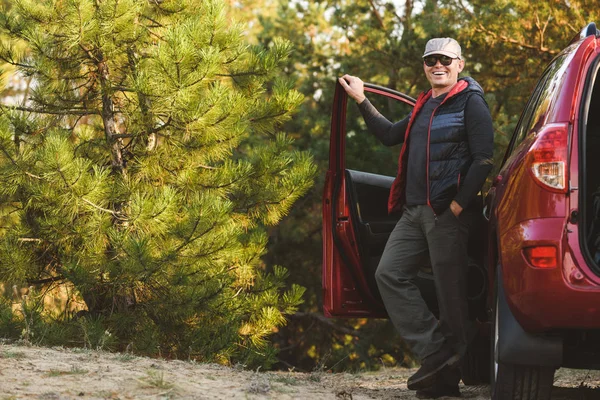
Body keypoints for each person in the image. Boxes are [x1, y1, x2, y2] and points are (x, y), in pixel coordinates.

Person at [339, 38, 494, 398]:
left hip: (447, 213)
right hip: (413, 212)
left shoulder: (471, 103)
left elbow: (483, 159)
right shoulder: (425, 104)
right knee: (388, 274)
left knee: (450, 294)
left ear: (459, 63)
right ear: (424, 65)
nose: (437, 65)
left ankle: (444, 380)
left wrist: (456, 206)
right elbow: (390, 134)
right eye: (430, 60)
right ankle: (435, 352)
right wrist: (362, 99)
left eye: (444, 59)